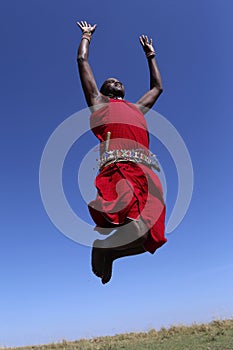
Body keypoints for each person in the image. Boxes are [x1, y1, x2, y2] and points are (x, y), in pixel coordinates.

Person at [77, 20, 167, 284]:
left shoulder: (137, 108)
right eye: (110, 81)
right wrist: (86, 37)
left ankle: (110, 252)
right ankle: (105, 248)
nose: (115, 81)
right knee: (134, 221)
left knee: (153, 236)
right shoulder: (98, 102)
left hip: (146, 172)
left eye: (118, 81)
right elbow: (82, 61)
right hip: (119, 168)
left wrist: (151, 55)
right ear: (103, 90)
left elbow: (157, 88)